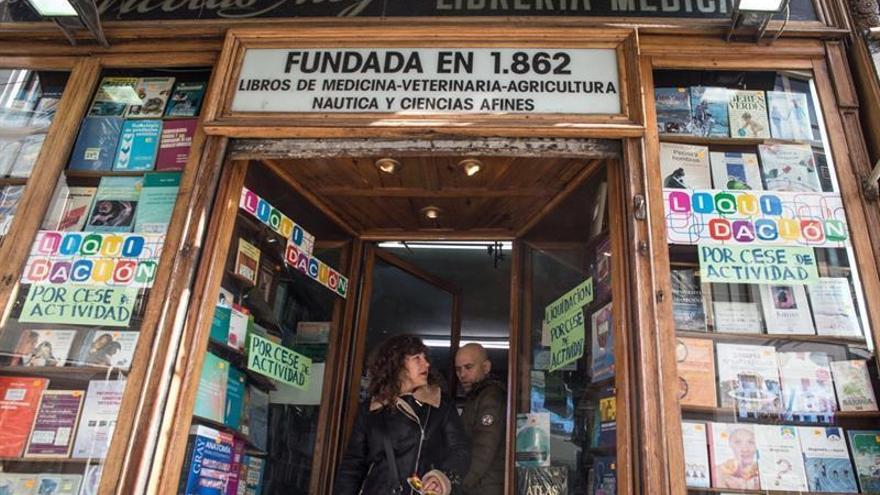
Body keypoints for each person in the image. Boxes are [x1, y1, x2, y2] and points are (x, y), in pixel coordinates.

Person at [336, 335, 470, 495]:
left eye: (425, 357)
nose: (426, 363)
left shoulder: (440, 405)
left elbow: (459, 450)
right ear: (397, 364)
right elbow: (354, 464)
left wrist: (442, 478)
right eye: (417, 358)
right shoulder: (371, 409)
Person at [454, 343, 505, 495]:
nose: (462, 375)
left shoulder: (491, 397)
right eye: (458, 369)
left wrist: (460, 485)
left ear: (486, 367)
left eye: (468, 367)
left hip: (484, 487)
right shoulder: (477, 396)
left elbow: (484, 448)